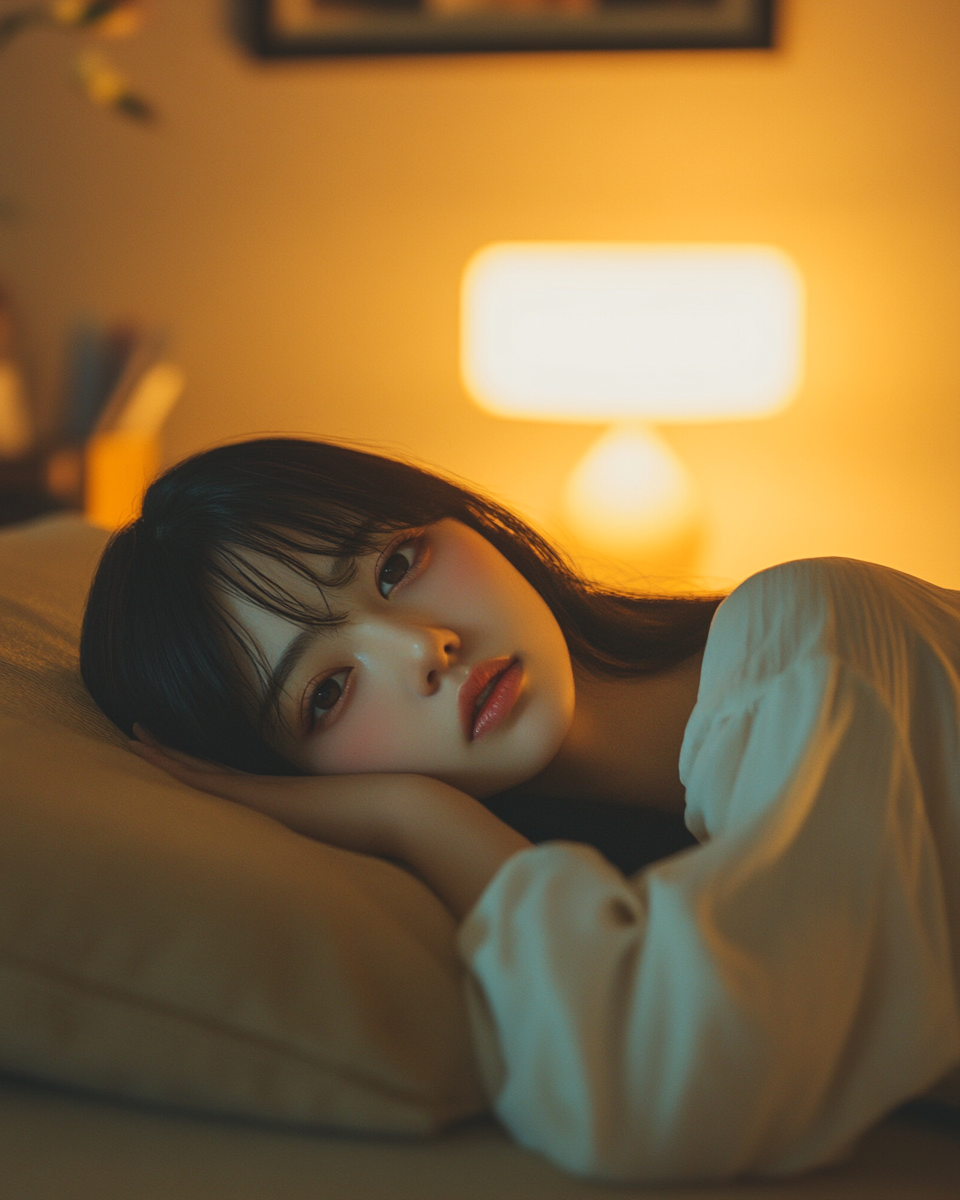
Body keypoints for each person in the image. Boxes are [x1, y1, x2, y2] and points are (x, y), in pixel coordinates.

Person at [80, 436, 960, 1183]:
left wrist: (416, 819)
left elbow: (667, 1085)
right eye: (328, 693)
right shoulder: (650, 874)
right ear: (299, 782)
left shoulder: (809, 632)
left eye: (395, 565)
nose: (424, 648)